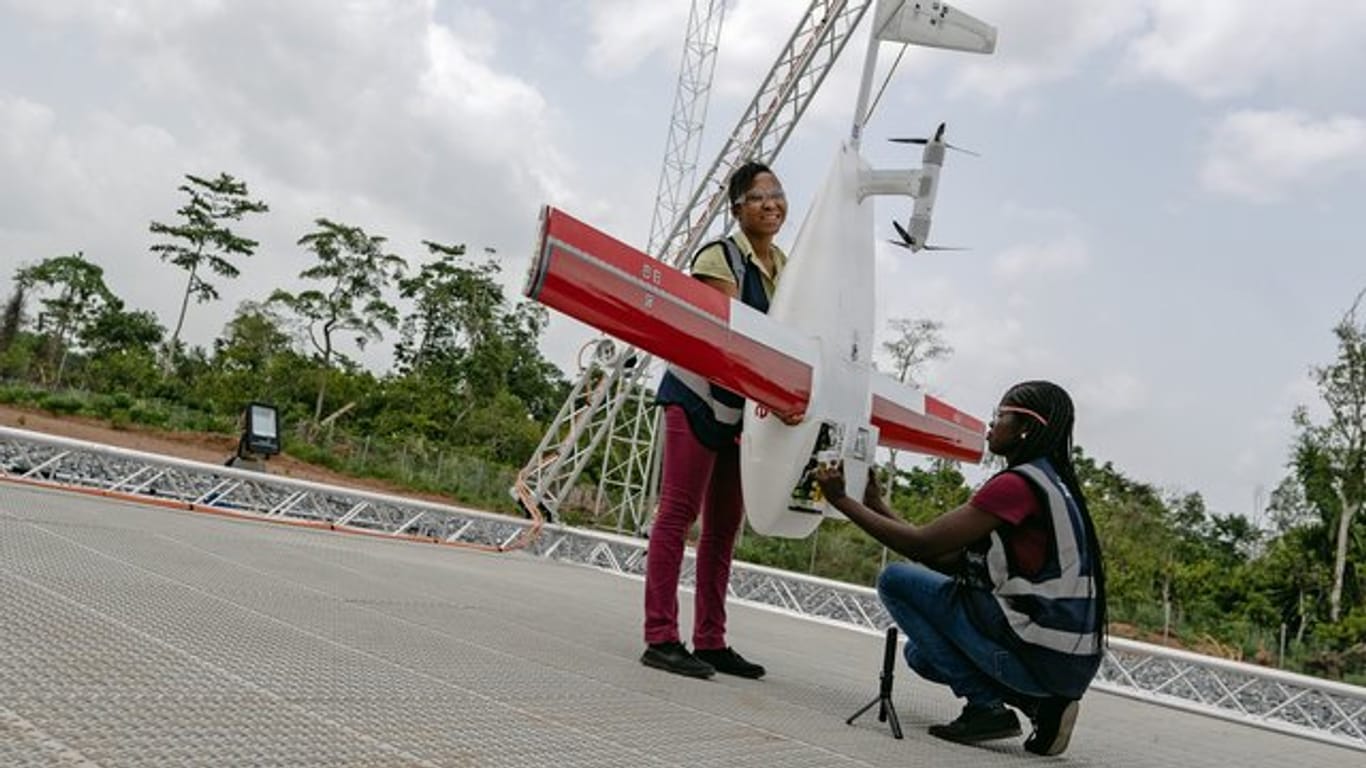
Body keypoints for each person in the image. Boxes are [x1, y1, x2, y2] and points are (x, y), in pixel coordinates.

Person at [814, 380, 1106, 756]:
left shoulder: (1017, 485)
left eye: (999, 415)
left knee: (894, 580)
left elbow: (920, 545)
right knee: (919, 656)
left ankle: (985, 707)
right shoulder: (1054, 483)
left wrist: (840, 500)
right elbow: (947, 559)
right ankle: (1041, 707)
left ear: (1025, 428)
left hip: (1039, 655)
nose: (990, 425)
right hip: (1062, 666)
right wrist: (876, 506)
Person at [641, 160, 796, 680]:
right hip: (698, 397)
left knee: (724, 528)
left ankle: (710, 640)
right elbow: (728, 334)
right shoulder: (720, 255)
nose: (772, 203)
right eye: (759, 196)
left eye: (777, 194)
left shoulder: (785, 267)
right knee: (678, 513)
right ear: (737, 208)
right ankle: (661, 637)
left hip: (744, 412)